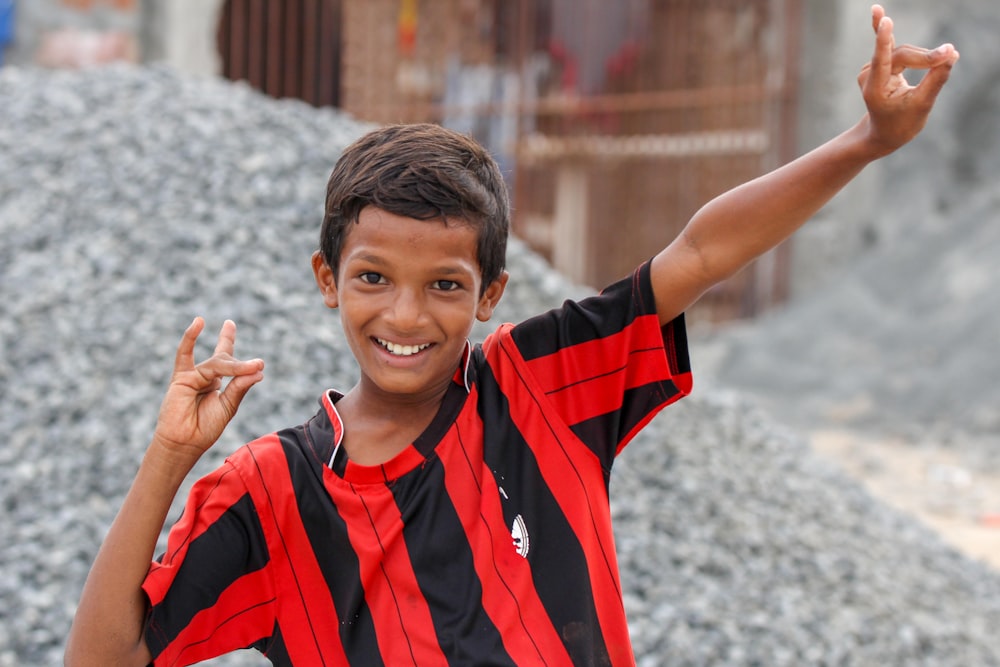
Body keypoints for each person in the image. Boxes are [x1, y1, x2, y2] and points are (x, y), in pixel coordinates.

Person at [65, 6, 959, 666]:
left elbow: (698, 249)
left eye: (445, 285)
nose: (407, 317)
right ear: (327, 279)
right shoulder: (275, 492)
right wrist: (166, 460)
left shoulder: (540, 389)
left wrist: (864, 143)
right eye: (374, 278)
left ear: (490, 293)